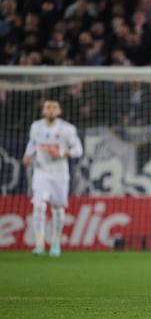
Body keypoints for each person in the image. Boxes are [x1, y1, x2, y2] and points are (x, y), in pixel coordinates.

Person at [23, 99, 83, 257]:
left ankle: (55, 244)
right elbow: (32, 143)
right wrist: (27, 155)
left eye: (54, 107)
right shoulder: (36, 127)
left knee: (57, 209)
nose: (50, 110)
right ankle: (39, 245)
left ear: (59, 111)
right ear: (43, 111)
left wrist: (62, 153)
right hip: (41, 171)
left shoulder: (67, 129)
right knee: (39, 206)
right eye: (48, 107)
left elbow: (78, 149)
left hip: (59, 175)